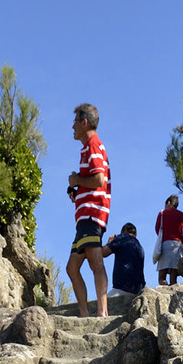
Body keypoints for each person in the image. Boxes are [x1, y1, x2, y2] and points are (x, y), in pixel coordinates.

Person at [65, 103, 111, 319]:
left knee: (95, 261)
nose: (72, 127)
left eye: (75, 122)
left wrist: (77, 180)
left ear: (84, 123)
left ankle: (102, 312)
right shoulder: (89, 147)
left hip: (92, 214)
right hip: (86, 215)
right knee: (72, 268)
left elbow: (99, 179)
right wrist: (78, 191)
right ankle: (85, 313)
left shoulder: (93, 144)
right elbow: (94, 180)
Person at [153, 193, 183, 286]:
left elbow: (157, 229)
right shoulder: (182, 215)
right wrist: (182, 239)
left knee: (162, 277)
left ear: (168, 202)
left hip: (165, 245)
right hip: (178, 246)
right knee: (173, 278)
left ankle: (164, 292)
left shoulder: (162, 213)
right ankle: (173, 293)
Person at [101, 221, 145, 295]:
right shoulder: (139, 247)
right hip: (138, 290)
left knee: (103, 302)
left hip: (122, 287)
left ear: (124, 231)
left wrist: (110, 242)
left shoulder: (123, 237)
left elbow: (103, 252)